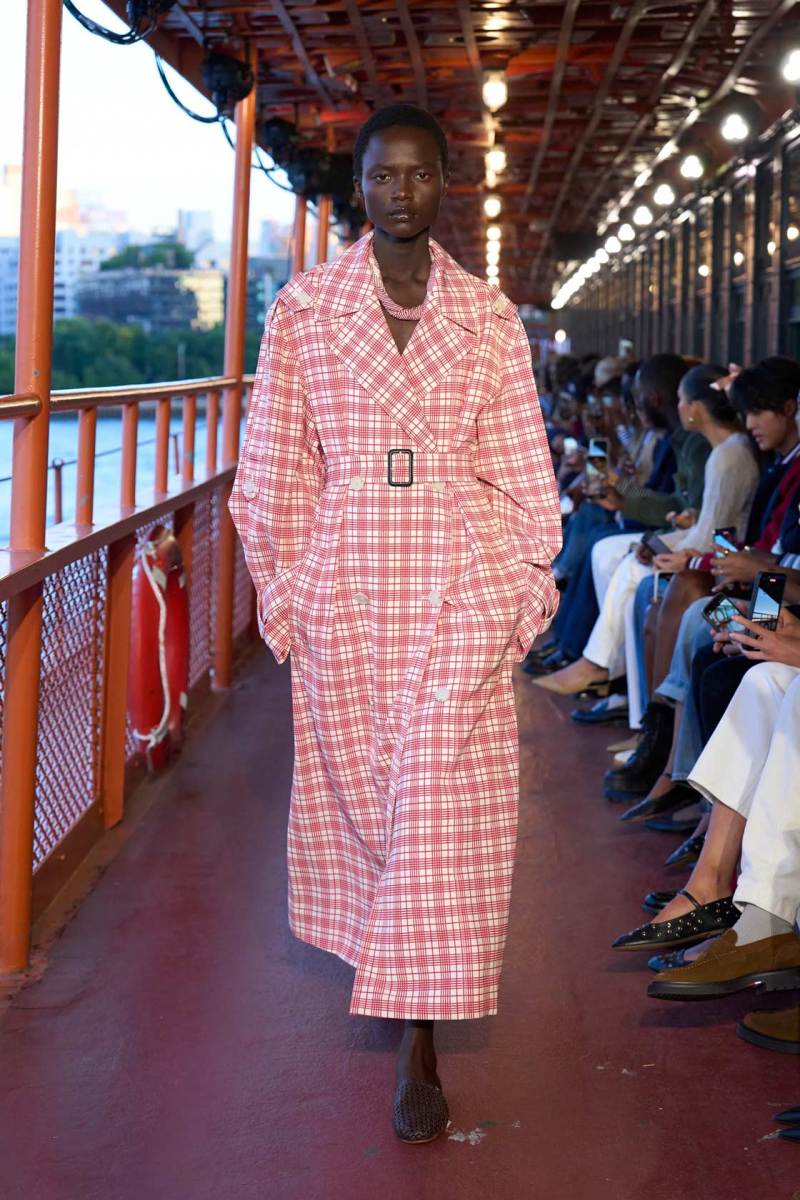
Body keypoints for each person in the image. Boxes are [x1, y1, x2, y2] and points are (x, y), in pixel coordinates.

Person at [228, 104, 562, 1145]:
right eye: (381, 175)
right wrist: (290, 598)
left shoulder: (488, 317)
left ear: (443, 182)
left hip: (459, 586)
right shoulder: (304, 310)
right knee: (371, 808)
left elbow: (523, 473)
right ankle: (406, 1000)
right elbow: (272, 471)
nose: (399, 192)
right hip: (348, 590)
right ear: (360, 187)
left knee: (434, 809)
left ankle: (418, 1045)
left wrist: (517, 598)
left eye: (417, 174)